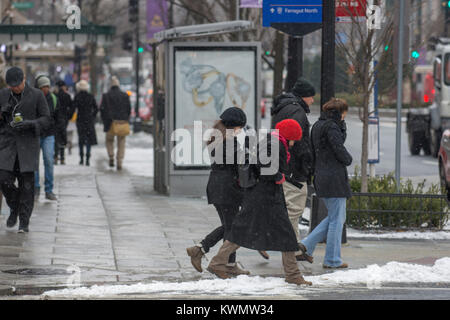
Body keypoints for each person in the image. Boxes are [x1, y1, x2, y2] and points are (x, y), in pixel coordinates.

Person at [207, 119, 312, 286]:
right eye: (294, 139)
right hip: (266, 197)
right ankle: (292, 275)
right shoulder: (275, 145)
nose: (294, 144)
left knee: (242, 232)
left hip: (261, 196)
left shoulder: (273, 141)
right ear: (289, 135)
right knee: (286, 235)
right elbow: (266, 169)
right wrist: (279, 176)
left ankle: (217, 263)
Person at [186, 107, 249, 276]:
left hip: (218, 187)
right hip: (227, 189)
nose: (240, 130)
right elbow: (240, 162)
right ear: (233, 126)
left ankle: (218, 258)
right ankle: (215, 258)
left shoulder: (218, 137)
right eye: (240, 127)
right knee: (233, 227)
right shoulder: (227, 141)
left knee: (230, 226)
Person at [298, 98, 352, 269]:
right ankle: (332, 259)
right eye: (344, 113)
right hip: (334, 177)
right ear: (340, 112)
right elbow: (339, 148)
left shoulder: (318, 126)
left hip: (321, 176)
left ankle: (306, 245)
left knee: (334, 217)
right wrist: (348, 159)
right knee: (337, 220)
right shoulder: (332, 127)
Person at [0, 67, 50, 233]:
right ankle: (14, 206)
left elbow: (46, 120)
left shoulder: (36, 95)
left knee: (27, 186)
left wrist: (30, 124)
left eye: (17, 85)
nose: (15, 88)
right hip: (7, 146)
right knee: (3, 179)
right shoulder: (3, 95)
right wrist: (2, 114)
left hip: (28, 146)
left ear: (24, 80)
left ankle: (24, 222)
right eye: (11, 86)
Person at [270, 77, 315, 261]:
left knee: (291, 210)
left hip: (286, 167)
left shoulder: (284, 108)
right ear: (304, 96)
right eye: (311, 96)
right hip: (294, 170)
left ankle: (294, 248)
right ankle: (287, 248)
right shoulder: (297, 111)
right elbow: (298, 142)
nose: (313, 100)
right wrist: (307, 162)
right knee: (294, 210)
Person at [34, 75, 59, 201]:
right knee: (34, 163)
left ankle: (49, 190)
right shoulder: (33, 98)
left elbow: (58, 117)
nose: (46, 89)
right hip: (36, 134)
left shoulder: (53, 99)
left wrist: (60, 134)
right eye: (43, 86)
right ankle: (35, 188)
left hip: (49, 134)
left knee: (49, 161)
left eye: (47, 86)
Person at [100, 76, 131, 171]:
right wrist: (125, 117)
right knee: (121, 142)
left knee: (109, 140)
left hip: (110, 122)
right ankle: (119, 161)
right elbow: (129, 109)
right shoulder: (125, 95)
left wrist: (105, 120)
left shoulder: (106, 96)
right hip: (122, 122)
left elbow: (102, 109)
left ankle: (111, 156)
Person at [70, 80, 98, 166]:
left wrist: (70, 116)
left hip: (80, 120)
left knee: (81, 139)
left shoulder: (77, 96)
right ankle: (88, 157)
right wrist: (92, 116)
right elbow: (96, 108)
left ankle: (81, 158)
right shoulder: (90, 96)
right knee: (88, 139)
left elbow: (73, 108)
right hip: (89, 120)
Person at [54, 80, 73, 165]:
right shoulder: (67, 96)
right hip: (64, 119)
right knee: (62, 136)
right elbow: (72, 107)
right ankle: (62, 157)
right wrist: (69, 116)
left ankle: (55, 156)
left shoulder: (54, 95)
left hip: (55, 119)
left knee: (55, 138)